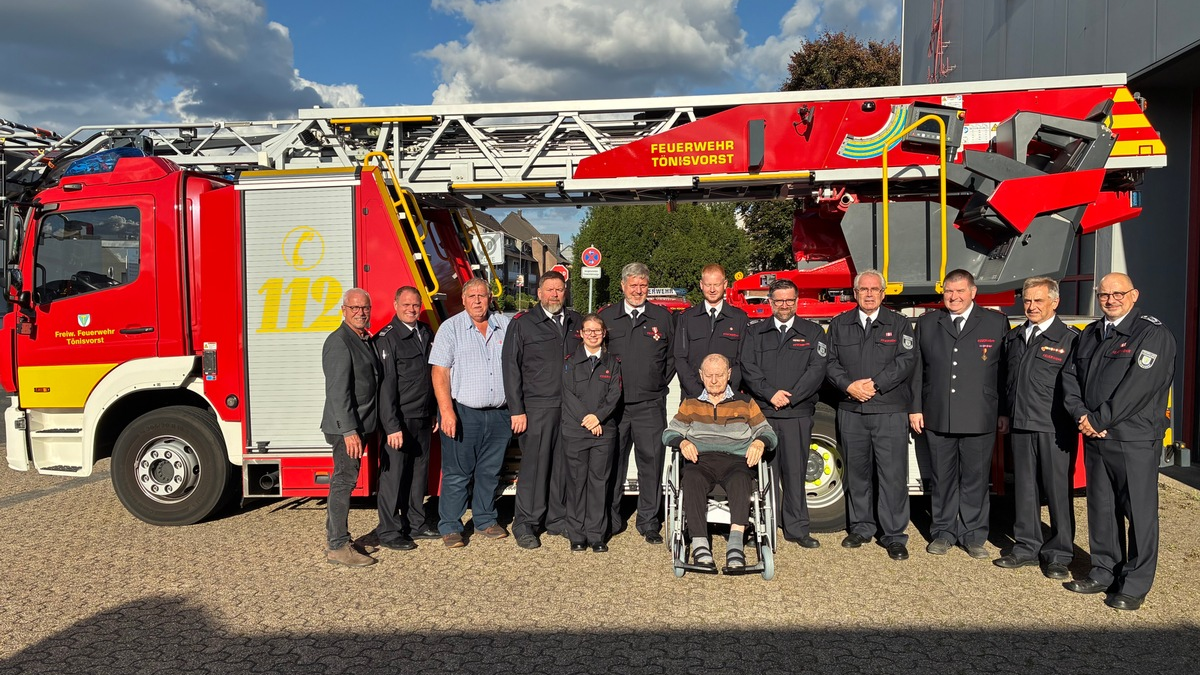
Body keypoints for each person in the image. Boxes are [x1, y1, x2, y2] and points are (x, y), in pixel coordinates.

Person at [1062, 273, 1175, 611]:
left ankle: (1135, 584)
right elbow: (1070, 377)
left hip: (1133, 438)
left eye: (1118, 294)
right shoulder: (1093, 333)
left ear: (1134, 295)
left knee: (1138, 513)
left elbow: (1138, 387)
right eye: (1104, 295)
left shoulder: (1152, 333)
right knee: (1102, 508)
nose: (1110, 300)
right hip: (1096, 437)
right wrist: (1081, 415)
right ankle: (1104, 571)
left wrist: (1098, 419)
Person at [909, 269, 1008, 559]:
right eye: (949, 292)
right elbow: (917, 370)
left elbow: (1004, 372)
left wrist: (1003, 411)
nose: (953, 297)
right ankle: (943, 531)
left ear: (973, 292)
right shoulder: (928, 323)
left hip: (980, 414)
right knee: (942, 478)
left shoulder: (994, 322)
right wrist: (915, 407)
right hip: (938, 412)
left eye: (960, 291)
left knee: (975, 479)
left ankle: (973, 535)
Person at [825, 269, 917, 561]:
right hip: (852, 410)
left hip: (888, 410)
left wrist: (876, 385)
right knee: (857, 472)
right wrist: (848, 385)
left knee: (892, 475)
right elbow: (828, 361)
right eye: (862, 289)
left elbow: (906, 361)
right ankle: (861, 527)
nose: (868, 294)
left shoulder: (899, 324)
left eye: (873, 289)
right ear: (854, 293)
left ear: (883, 293)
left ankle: (894, 535)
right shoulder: (840, 325)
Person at [995, 277, 1079, 579]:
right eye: (1027, 300)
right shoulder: (1016, 337)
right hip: (1020, 424)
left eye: (1038, 301)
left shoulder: (1069, 339)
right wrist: (1004, 413)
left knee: (1057, 491)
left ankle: (1059, 553)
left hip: (1054, 428)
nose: (1031, 306)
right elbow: (1006, 380)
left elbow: (1076, 387)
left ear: (1054, 302)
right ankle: (1027, 547)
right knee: (1025, 490)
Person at [663, 354, 777, 570]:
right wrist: (683, 442)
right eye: (709, 375)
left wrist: (760, 442)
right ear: (701, 376)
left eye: (719, 375)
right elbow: (669, 433)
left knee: (741, 479)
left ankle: (735, 542)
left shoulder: (745, 403)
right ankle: (699, 542)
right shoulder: (690, 404)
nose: (714, 380)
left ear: (729, 374)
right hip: (701, 460)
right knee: (691, 478)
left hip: (736, 460)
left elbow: (768, 432)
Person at [740, 279, 827, 549]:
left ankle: (797, 528)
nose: (784, 305)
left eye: (789, 300)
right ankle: (764, 528)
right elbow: (748, 366)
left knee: (795, 471)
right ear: (769, 301)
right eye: (779, 300)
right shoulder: (755, 333)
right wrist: (770, 393)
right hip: (764, 413)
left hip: (797, 413)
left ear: (797, 300)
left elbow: (817, 369)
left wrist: (792, 396)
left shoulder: (813, 332)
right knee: (763, 474)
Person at [429, 278, 512, 548]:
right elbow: (440, 371)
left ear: (490, 298)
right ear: (463, 300)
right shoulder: (450, 328)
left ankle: (485, 520)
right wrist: (446, 412)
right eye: (472, 296)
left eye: (483, 295)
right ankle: (451, 526)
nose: (478, 300)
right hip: (463, 413)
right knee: (457, 473)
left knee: (489, 472)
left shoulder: (505, 327)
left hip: (499, 413)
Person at [503, 271, 583, 549]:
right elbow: (510, 368)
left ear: (565, 292)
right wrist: (516, 410)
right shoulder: (523, 324)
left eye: (559, 290)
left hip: (569, 408)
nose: (554, 295)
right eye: (549, 290)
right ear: (539, 293)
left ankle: (556, 518)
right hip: (536, 407)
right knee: (535, 467)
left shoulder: (577, 322)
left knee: (562, 465)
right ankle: (525, 522)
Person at [599, 262, 675, 544]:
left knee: (652, 462)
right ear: (623, 286)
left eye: (643, 285)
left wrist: (654, 383)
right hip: (615, 406)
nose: (638, 290)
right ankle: (612, 518)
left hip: (650, 404)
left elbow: (671, 359)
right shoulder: (607, 317)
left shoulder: (663, 317)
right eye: (633, 285)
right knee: (612, 462)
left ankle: (649, 520)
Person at [366, 286, 439, 551]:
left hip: (421, 417)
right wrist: (392, 426)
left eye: (415, 305)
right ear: (395, 304)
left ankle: (415, 524)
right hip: (399, 421)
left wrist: (432, 411)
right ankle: (388, 530)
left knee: (418, 476)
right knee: (393, 477)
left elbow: (430, 376)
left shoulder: (425, 333)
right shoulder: (387, 338)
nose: (411, 309)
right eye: (406, 305)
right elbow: (385, 388)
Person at [320, 287, 382, 567]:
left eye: (365, 308)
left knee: (344, 481)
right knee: (344, 482)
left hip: (360, 425)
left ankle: (336, 538)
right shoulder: (339, 342)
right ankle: (337, 546)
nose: (360, 313)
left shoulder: (361, 338)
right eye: (354, 308)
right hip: (347, 428)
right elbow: (337, 392)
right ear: (343, 310)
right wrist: (348, 431)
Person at [560, 313, 623, 553]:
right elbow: (568, 394)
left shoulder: (613, 363)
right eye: (588, 330)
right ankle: (576, 534)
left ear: (604, 333)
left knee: (599, 483)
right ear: (581, 334)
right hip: (576, 431)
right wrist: (588, 419)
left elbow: (615, 395)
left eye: (597, 330)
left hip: (603, 432)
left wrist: (599, 417)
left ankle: (596, 535)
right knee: (576, 484)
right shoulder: (570, 361)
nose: (593, 334)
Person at [674, 264, 748, 399]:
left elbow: (743, 359)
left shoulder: (739, 318)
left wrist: (727, 390)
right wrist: (697, 392)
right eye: (708, 285)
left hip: (728, 396)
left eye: (717, 284)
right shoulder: (687, 318)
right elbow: (680, 358)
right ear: (701, 285)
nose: (712, 289)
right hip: (693, 396)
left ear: (725, 284)